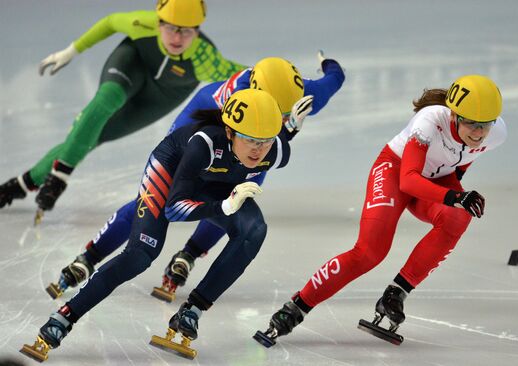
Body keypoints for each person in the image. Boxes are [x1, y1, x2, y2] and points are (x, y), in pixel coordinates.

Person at [21, 88, 305, 361]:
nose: (258, 150)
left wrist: (289, 128)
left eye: (265, 141)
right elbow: (173, 209)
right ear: (229, 132)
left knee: (254, 230)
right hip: (170, 174)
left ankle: (192, 310)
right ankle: (65, 316)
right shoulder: (204, 143)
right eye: (250, 140)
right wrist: (225, 206)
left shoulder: (275, 151)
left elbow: (280, 140)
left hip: (212, 183)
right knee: (139, 256)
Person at [44, 54, 345, 301]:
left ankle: (190, 253)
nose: (277, 119)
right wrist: (286, 131)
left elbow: (333, 81)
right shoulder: (226, 97)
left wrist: (328, 63)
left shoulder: (302, 96)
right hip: (199, 129)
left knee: (239, 194)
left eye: (281, 115)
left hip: (247, 148)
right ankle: (91, 255)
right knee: (158, 198)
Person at [254, 75, 507, 347]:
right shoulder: (431, 120)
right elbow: (408, 179)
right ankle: (296, 307)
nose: (479, 132)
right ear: (454, 114)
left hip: (435, 179)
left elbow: (459, 162)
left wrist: (455, 195)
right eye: (471, 122)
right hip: (396, 171)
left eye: (485, 124)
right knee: (370, 252)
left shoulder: (497, 134)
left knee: (458, 216)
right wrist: (455, 195)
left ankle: (396, 294)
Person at [0, 0, 246, 222]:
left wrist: (278, 80)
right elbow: (110, 23)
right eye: (171, 27)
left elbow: (246, 76)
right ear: (158, 23)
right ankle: (59, 175)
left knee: (94, 135)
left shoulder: (205, 60)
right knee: (106, 99)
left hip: (160, 97)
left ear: (198, 31)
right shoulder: (142, 24)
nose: (178, 38)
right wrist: (71, 51)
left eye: (187, 31)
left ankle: (22, 184)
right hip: (132, 64)